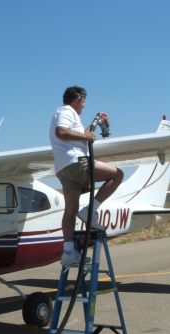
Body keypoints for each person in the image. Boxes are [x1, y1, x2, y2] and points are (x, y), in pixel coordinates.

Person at [49, 85, 124, 267]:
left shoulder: (66, 114)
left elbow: (80, 135)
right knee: (117, 175)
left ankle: (69, 253)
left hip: (63, 168)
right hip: (77, 162)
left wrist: (95, 122)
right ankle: (91, 210)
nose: (83, 106)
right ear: (77, 100)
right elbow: (62, 132)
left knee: (70, 211)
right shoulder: (67, 111)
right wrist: (86, 138)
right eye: (83, 102)